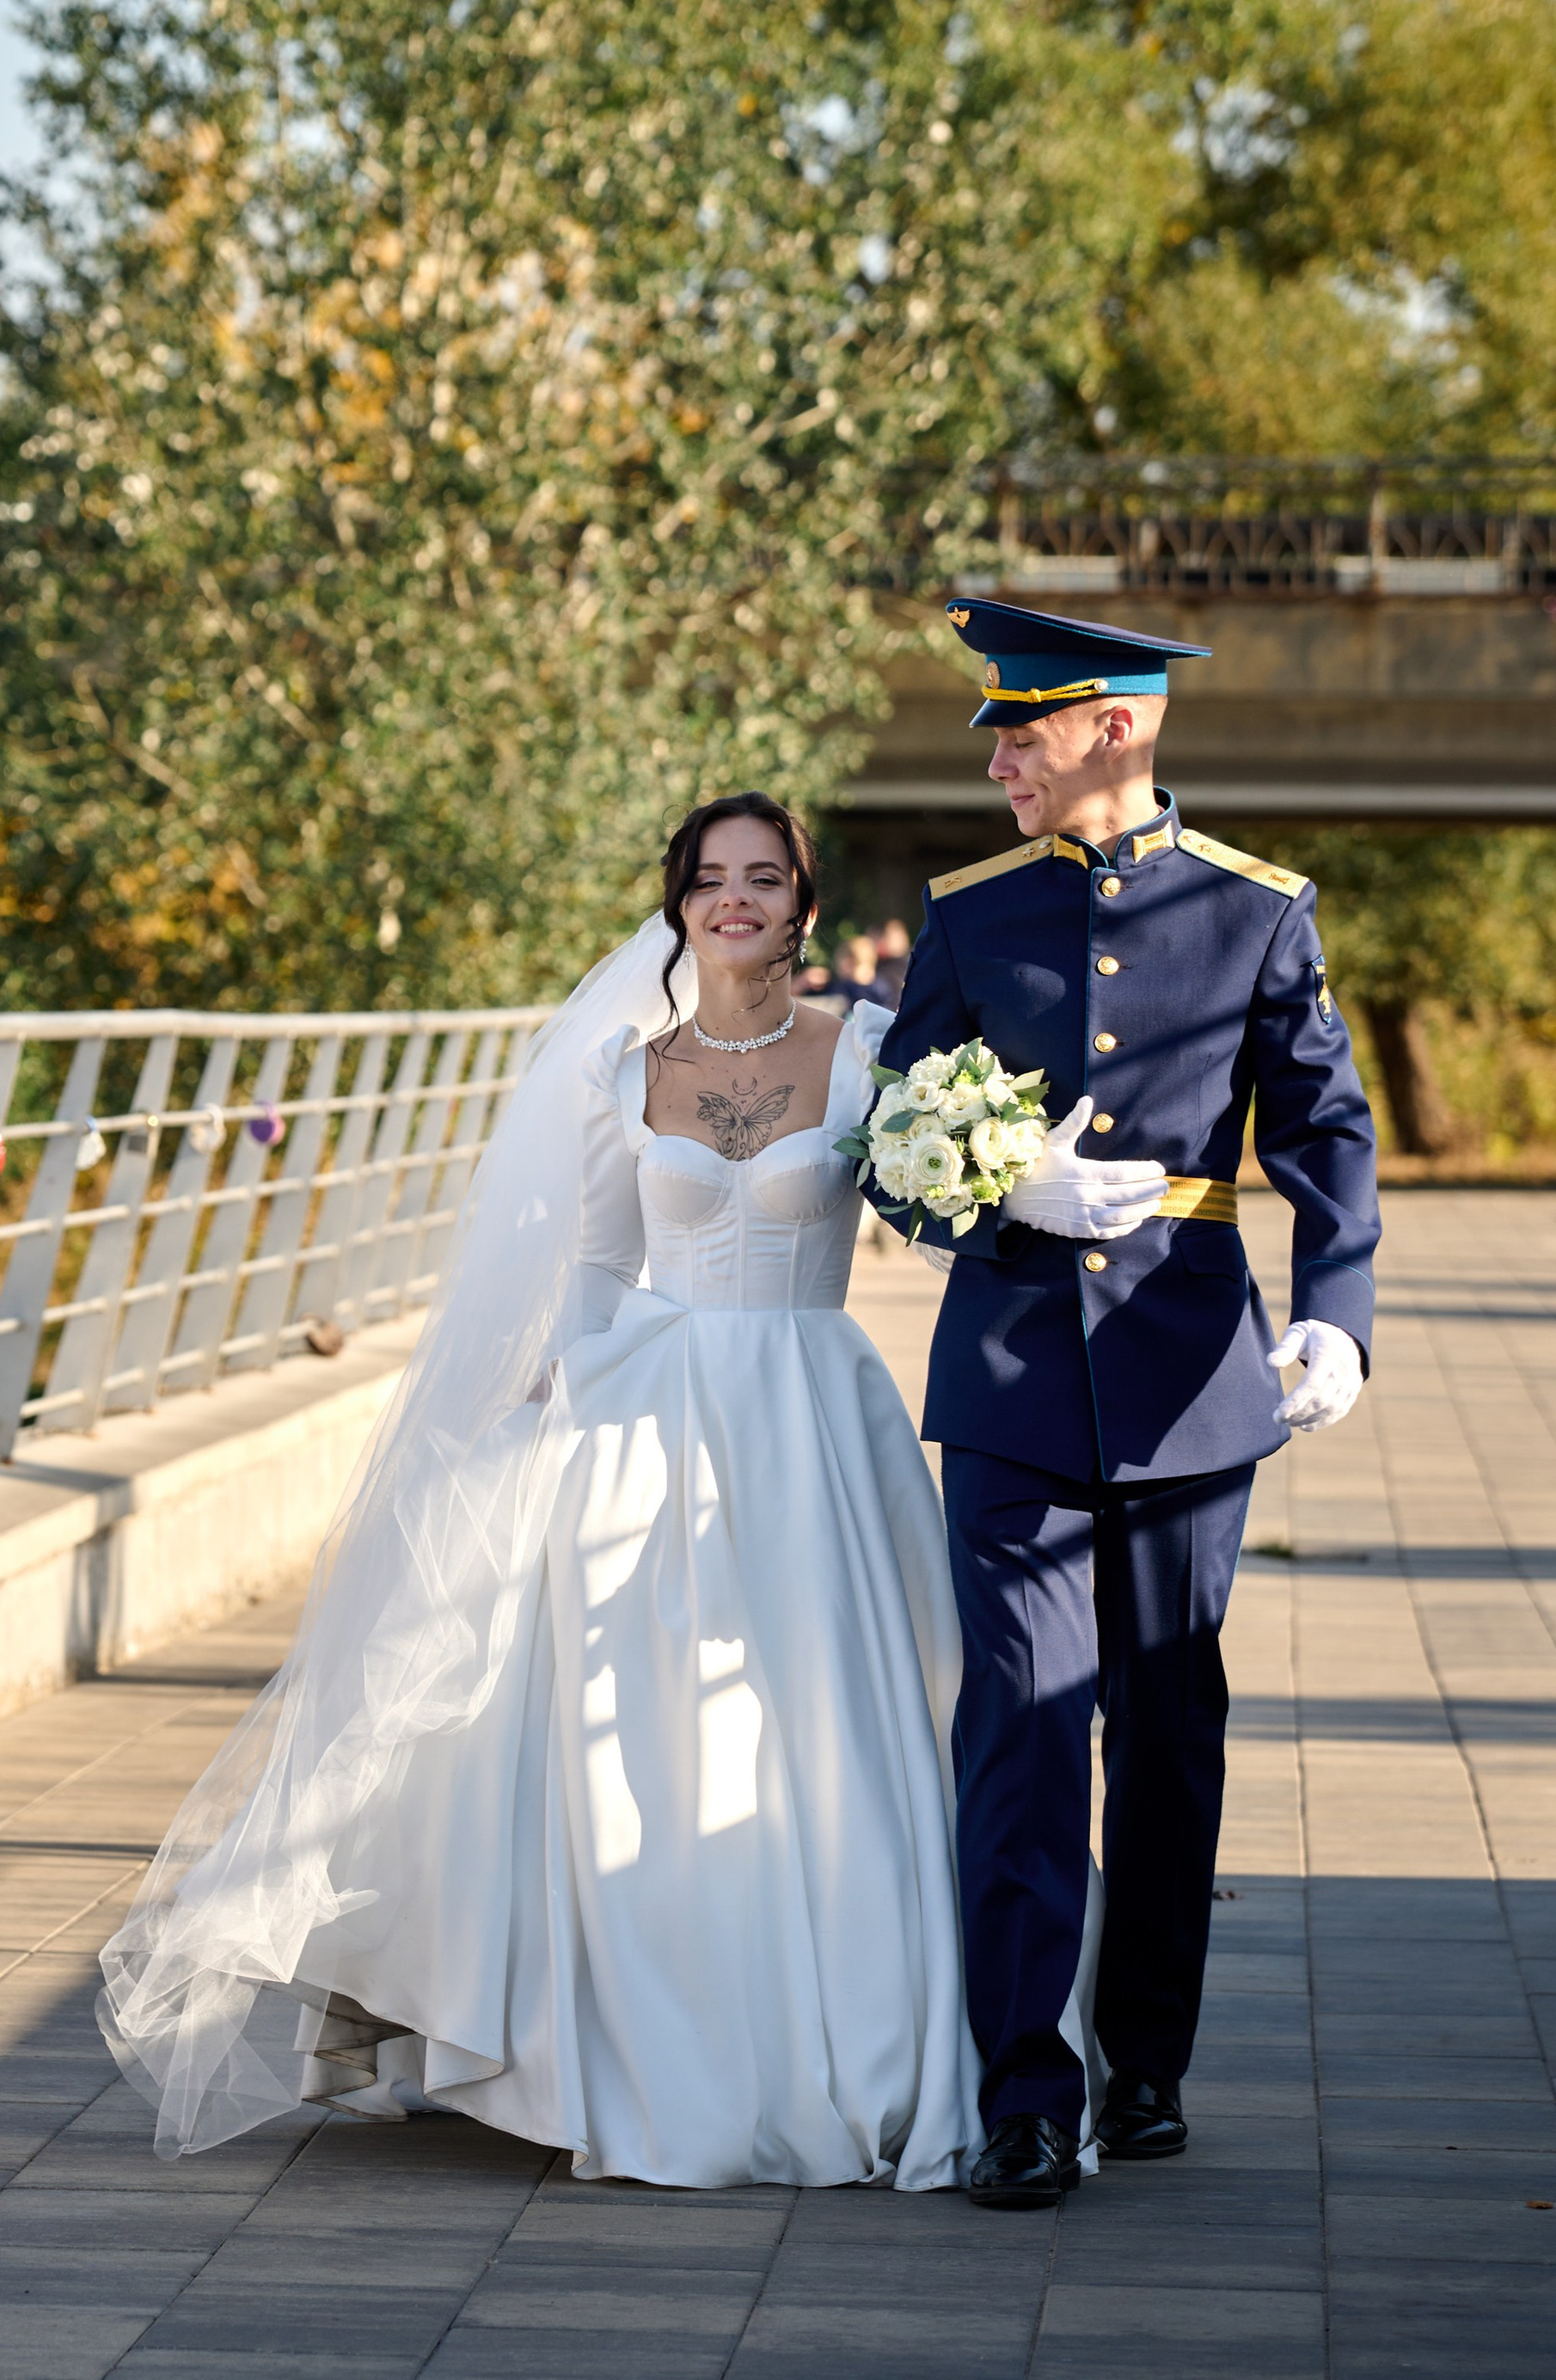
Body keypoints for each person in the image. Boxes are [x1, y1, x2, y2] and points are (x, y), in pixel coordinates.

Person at [99, 791, 1100, 2190]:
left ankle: (863, 2030)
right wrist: (538, 1398)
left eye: (764, 879)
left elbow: (931, 1227)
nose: (735, 901)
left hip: (815, 1417)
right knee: (649, 1738)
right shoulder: (622, 1074)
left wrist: (1018, 1186)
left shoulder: (868, 1053)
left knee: (821, 1724)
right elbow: (594, 1264)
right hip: (648, 1417)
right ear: (677, 903)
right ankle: (646, 2046)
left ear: (804, 905)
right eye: (711, 880)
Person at [873, 601, 1379, 2212]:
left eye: (1028, 728)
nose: (1002, 756)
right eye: (998, 733)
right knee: (1020, 1730)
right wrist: (1002, 1181)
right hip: (1014, 1376)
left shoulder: (1257, 914)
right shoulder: (966, 916)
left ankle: (1144, 2057)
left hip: (1188, 1381)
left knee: (1169, 1734)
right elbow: (890, 1139)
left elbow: (1328, 1135)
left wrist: (1339, 1322)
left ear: (1121, 729)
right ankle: (1024, 2090)